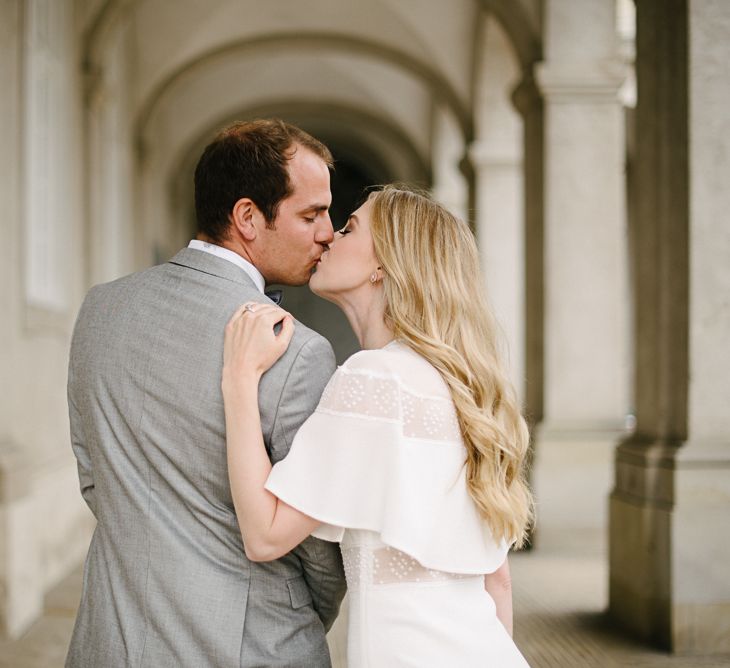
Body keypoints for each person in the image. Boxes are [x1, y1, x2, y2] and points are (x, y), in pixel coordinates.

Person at [66, 119, 346, 667]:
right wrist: (299, 619)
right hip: (251, 644)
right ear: (247, 217)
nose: (328, 233)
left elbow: (94, 475)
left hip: (112, 637)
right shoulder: (295, 349)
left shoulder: (100, 310)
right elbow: (317, 548)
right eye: (311, 214)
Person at [222, 185, 534, 666]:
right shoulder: (462, 389)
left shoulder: (373, 379)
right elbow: (499, 581)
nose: (328, 237)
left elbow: (264, 535)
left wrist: (239, 378)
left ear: (383, 265)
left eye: (348, 228)